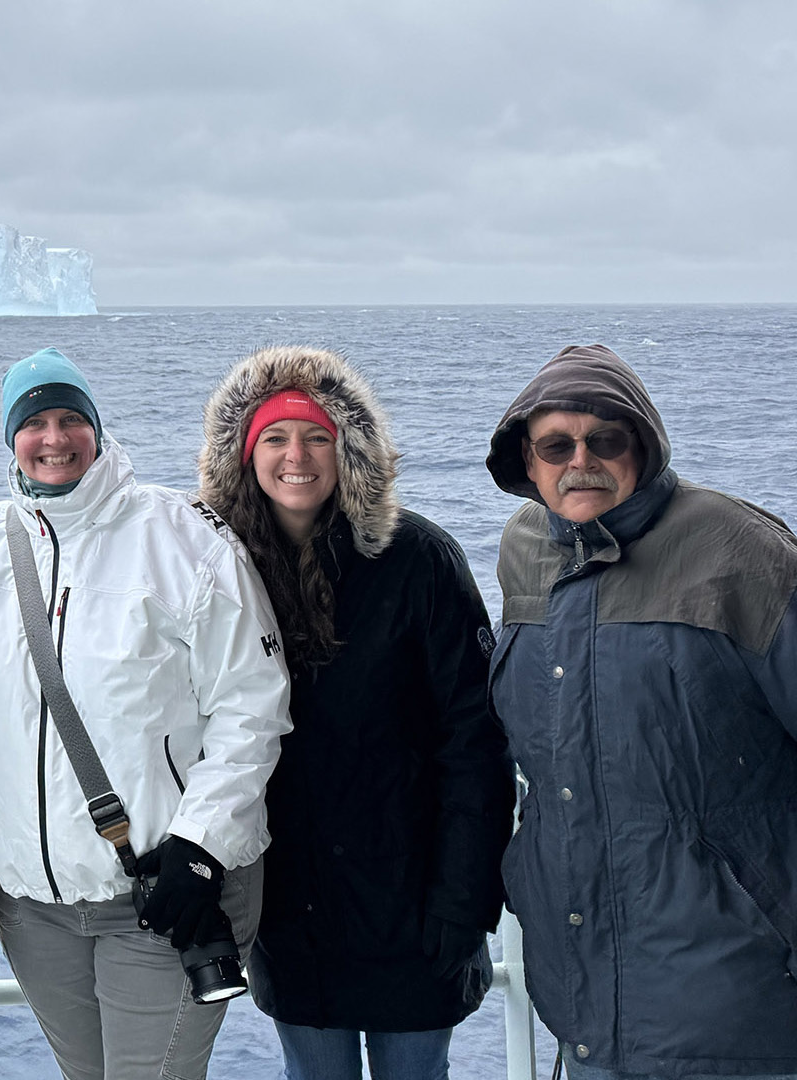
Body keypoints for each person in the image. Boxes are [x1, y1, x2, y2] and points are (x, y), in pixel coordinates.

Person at [0, 348, 292, 1080]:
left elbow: (252, 706)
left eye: (72, 418)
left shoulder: (182, 539)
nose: (55, 437)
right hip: (34, 905)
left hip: (167, 892)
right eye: (34, 422)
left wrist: (200, 849)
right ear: (11, 438)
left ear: (98, 429)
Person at [196, 346, 515, 1079]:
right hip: (292, 909)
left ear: (350, 450)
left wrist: (464, 902)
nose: (296, 456)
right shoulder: (218, 570)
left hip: (416, 903)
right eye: (274, 437)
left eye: (316, 436)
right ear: (245, 456)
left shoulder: (420, 561)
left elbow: (475, 740)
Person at [484, 345, 797, 1080]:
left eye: (606, 441)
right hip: (581, 995)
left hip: (735, 996)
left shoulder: (738, 548)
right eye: (556, 446)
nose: (580, 461)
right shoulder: (525, 548)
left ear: (645, 448)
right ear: (528, 464)